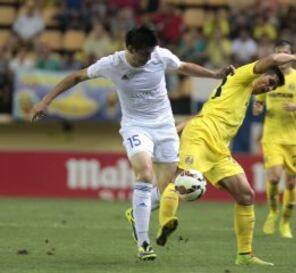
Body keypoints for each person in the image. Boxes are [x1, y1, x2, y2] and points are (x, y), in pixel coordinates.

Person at [31, 26, 234, 261]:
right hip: (136, 126)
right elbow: (76, 76)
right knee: (145, 175)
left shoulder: (159, 55)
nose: (149, 58)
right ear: (131, 49)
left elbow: (183, 67)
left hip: (165, 127)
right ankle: (144, 243)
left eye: (151, 53)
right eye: (144, 54)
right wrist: (45, 101)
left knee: (168, 186)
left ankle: (135, 214)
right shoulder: (112, 64)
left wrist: (215, 74)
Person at [156, 49, 296, 266]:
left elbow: (205, 111)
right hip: (201, 136)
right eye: (269, 81)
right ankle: (167, 222)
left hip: (219, 147)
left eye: (272, 88)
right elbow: (271, 59)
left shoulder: (240, 93)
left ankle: (244, 255)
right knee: (182, 178)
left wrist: (180, 127)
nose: (268, 88)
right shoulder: (242, 76)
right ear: (259, 72)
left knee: (246, 194)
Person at [253, 40, 296, 238]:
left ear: (291, 56)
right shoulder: (269, 77)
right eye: (279, 52)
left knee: (290, 183)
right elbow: (258, 101)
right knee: (274, 177)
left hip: (294, 139)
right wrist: (257, 108)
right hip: (272, 136)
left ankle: (285, 223)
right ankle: (273, 213)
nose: (282, 56)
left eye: (285, 52)